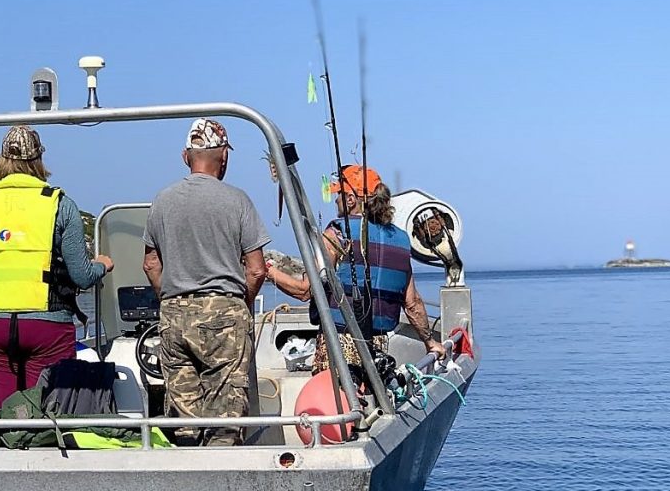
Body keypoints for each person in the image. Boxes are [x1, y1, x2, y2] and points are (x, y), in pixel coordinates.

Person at [0, 125, 114, 407]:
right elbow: (81, 275)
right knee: (49, 413)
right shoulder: (59, 205)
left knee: (9, 416)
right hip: (48, 328)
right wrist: (102, 266)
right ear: (38, 160)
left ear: (1, 161)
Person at [142, 118, 269, 446]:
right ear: (224, 157)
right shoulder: (237, 201)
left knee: (185, 422)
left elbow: (151, 264)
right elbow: (256, 270)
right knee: (224, 422)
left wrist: (170, 300)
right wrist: (240, 304)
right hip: (224, 312)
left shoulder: (162, 201)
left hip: (173, 313)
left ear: (186, 156)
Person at [266, 164, 446, 373]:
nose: (336, 200)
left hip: (338, 343)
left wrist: (268, 271)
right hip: (377, 344)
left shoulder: (337, 233)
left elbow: (305, 290)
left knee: (336, 401)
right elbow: (412, 303)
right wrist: (429, 342)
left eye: (339, 194)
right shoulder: (401, 239)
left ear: (351, 199)